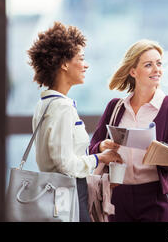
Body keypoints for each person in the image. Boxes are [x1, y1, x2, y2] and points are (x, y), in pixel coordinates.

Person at [27, 22, 122, 222]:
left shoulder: (43, 104)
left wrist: (95, 151)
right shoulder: (62, 107)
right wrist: (100, 159)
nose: (86, 65)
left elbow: (61, 155)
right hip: (67, 196)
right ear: (64, 64)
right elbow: (65, 165)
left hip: (53, 193)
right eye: (81, 58)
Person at [89, 39, 168, 222]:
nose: (156, 69)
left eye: (159, 64)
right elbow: (92, 148)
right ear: (133, 71)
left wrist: (157, 154)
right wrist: (103, 147)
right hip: (117, 196)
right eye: (148, 65)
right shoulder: (115, 107)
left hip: (155, 197)